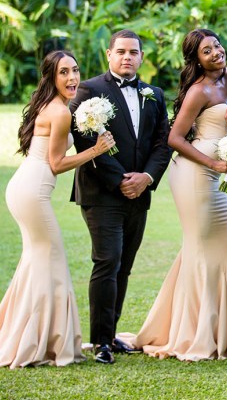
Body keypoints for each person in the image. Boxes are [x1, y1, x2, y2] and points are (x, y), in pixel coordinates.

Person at [0, 51, 115, 370]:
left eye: (75, 70)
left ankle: (39, 336)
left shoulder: (54, 106)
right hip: (32, 192)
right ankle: (41, 342)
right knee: (51, 258)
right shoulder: (59, 112)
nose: (72, 77)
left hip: (24, 188)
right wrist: (95, 149)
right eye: (64, 72)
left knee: (37, 263)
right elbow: (57, 163)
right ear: (51, 77)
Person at [116, 29, 227, 360]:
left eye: (217, 45)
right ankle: (194, 333)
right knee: (201, 251)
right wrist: (213, 162)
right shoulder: (199, 90)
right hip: (193, 174)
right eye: (207, 50)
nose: (216, 52)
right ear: (196, 59)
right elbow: (175, 138)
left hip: (215, 179)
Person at [69, 30, 172, 365]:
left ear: (141, 57)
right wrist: (119, 180)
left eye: (134, 52)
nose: (128, 57)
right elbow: (84, 139)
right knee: (107, 261)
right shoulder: (90, 89)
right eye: (121, 52)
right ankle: (99, 341)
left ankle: (111, 334)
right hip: (101, 192)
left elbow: (162, 142)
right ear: (109, 54)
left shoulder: (153, 94)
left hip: (140, 192)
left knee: (124, 266)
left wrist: (146, 178)